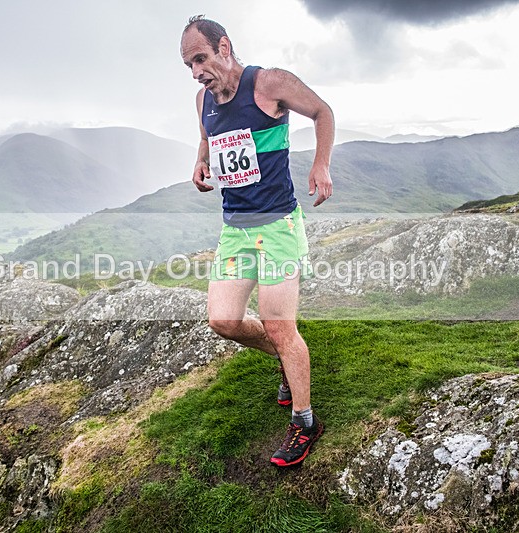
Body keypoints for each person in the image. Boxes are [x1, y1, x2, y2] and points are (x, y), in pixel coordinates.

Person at [180, 15, 335, 467]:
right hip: (235, 229)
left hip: (278, 227)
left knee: (280, 326)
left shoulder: (269, 84)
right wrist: (201, 160)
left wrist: (321, 164)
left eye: (201, 59)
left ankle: (305, 421)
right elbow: (207, 136)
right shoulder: (203, 100)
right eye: (189, 65)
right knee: (223, 320)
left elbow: (323, 112)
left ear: (224, 47)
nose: (197, 72)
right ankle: (287, 361)